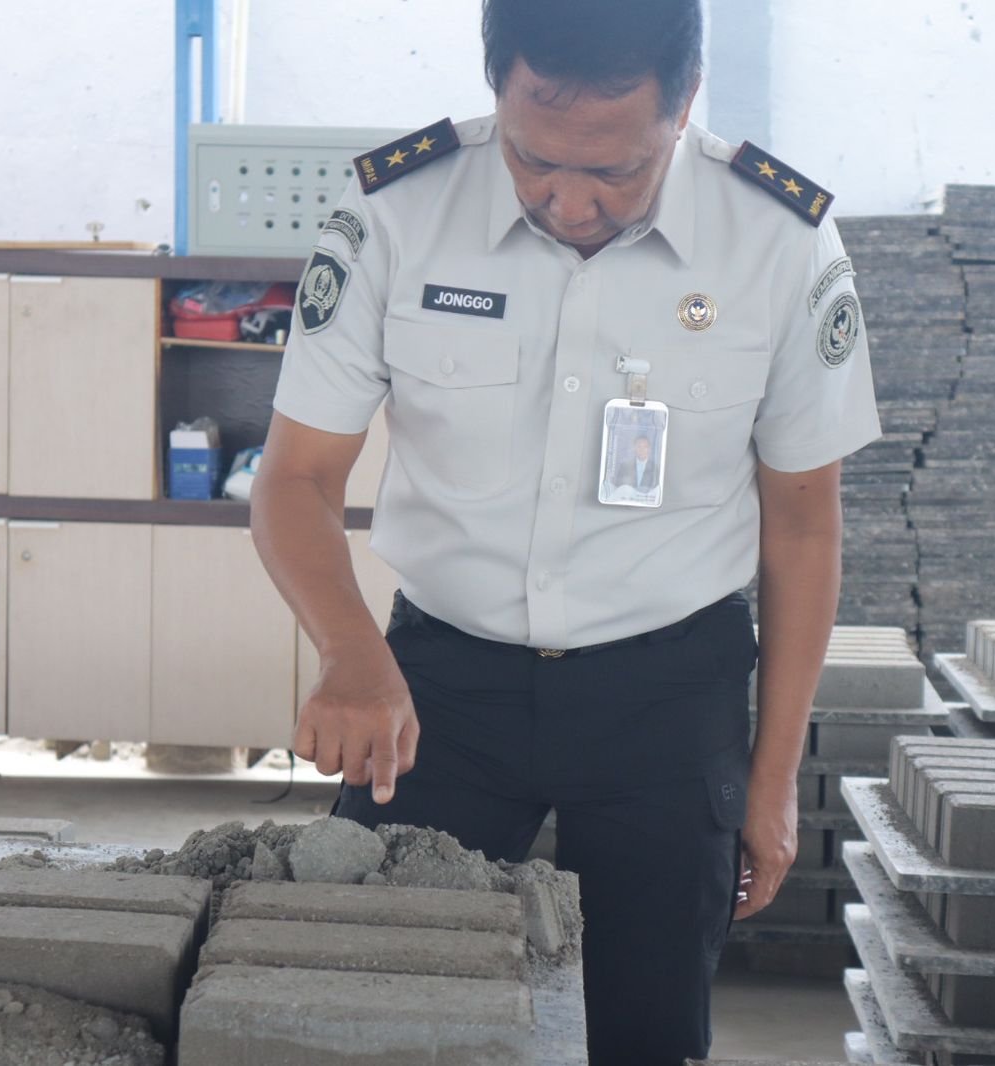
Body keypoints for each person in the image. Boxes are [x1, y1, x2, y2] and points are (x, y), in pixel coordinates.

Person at [250, 0, 882, 1060]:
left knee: (642, 1029)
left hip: (668, 699)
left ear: (684, 102)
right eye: (534, 159)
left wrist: (774, 782)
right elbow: (295, 478)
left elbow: (804, 527)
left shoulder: (777, 236)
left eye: (618, 171)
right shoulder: (399, 211)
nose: (569, 202)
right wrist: (351, 653)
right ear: (496, 87)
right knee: (377, 1002)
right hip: (438, 692)